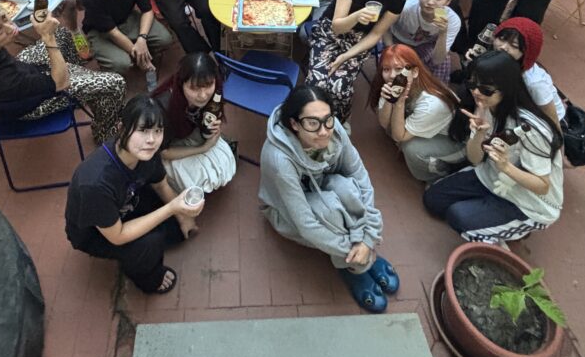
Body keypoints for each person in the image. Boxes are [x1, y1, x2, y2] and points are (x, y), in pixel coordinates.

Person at [259, 86, 399, 314]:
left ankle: (360, 250)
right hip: (288, 210)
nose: (324, 131)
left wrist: (368, 239)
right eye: (312, 123)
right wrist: (358, 251)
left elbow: (360, 176)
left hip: (324, 183)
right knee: (330, 211)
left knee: (348, 188)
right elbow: (305, 223)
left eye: (327, 120)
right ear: (294, 124)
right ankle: (353, 266)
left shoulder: (334, 130)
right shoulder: (280, 160)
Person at [65, 95, 205, 295]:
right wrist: (172, 208)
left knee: (175, 231)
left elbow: (161, 185)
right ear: (121, 128)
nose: (151, 140)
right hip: (96, 233)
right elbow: (118, 236)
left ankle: (145, 248)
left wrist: (183, 217)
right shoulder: (95, 183)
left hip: (127, 201)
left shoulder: (146, 152)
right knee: (150, 243)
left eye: (158, 131)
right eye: (143, 130)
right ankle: (145, 276)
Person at [423, 51, 565, 246]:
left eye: (486, 89)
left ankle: (512, 229)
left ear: (506, 90)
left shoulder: (529, 129)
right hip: (490, 177)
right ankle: (488, 213)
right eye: (472, 84)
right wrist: (478, 135)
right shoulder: (486, 107)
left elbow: (542, 185)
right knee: (433, 200)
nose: (476, 92)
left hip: (528, 201)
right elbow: (475, 159)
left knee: (458, 216)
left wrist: (506, 166)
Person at [0, 0, 125, 144]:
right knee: (115, 83)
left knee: (61, 33)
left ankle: (79, 83)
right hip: (30, 106)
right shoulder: (5, 80)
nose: (10, 28)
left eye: (4, 18)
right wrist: (47, 36)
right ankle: (104, 133)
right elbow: (61, 84)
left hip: (21, 73)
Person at [304, 0, 412, 124]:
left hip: (359, 41)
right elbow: (336, 26)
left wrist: (345, 57)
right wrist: (357, 16)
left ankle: (339, 122)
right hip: (330, 33)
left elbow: (376, 34)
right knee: (317, 84)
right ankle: (312, 120)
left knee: (340, 88)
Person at [370, 44, 464, 183]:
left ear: (414, 72)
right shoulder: (395, 86)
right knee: (394, 130)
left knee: (411, 148)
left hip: (454, 141)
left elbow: (398, 136)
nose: (392, 75)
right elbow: (384, 123)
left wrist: (399, 103)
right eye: (386, 69)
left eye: (399, 69)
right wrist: (389, 100)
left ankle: (439, 177)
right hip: (427, 127)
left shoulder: (431, 103)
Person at [153, 53, 237, 193]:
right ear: (181, 84)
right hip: (168, 146)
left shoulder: (216, 91)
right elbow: (162, 152)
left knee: (223, 167)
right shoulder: (163, 107)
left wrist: (214, 129)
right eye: (194, 88)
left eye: (208, 85)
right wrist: (203, 148)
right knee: (197, 182)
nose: (203, 95)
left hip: (191, 134)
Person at [490, 18, 566, 126]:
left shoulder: (534, 83)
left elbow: (553, 120)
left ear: (526, 53)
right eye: (502, 39)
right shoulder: (498, 59)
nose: (503, 47)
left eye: (514, 46)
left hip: (541, 122)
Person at [389, 0, 461, 83]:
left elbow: (437, 60)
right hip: (398, 41)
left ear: (448, 0)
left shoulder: (452, 20)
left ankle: (434, 90)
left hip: (425, 45)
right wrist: (390, 48)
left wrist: (443, 33)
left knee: (444, 60)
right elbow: (384, 28)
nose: (430, 2)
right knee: (397, 69)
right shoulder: (405, 7)